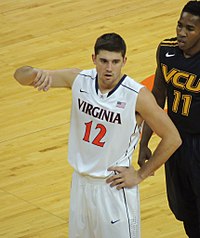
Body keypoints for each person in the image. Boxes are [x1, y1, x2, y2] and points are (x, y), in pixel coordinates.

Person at [14, 32, 181, 238]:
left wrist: (140, 174)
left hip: (113, 188)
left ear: (124, 61)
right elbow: (21, 77)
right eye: (103, 61)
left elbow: (173, 137)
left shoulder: (137, 96)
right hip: (80, 184)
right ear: (93, 59)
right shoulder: (78, 79)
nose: (109, 68)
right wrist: (33, 72)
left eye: (115, 62)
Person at [138, 1, 200, 237]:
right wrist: (145, 142)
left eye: (190, 28)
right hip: (175, 140)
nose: (181, 33)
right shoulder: (166, 50)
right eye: (179, 25)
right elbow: (157, 98)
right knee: (184, 208)